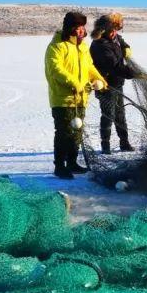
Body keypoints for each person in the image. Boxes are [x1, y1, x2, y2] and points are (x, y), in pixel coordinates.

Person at [44, 11, 107, 179]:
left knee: (76, 133)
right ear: (70, 28)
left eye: (83, 27)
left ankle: (72, 162)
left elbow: (89, 66)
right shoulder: (57, 46)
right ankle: (59, 166)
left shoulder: (82, 46)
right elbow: (55, 70)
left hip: (81, 98)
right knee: (63, 132)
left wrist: (99, 79)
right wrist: (75, 83)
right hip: (63, 99)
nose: (81, 30)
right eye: (78, 27)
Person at [89, 13, 136, 154]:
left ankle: (124, 142)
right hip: (105, 85)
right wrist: (132, 73)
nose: (114, 33)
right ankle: (105, 145)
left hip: (118, 83)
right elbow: (114, 66)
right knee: (108, 114)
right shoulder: (99, 45)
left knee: (120, 114)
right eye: (111, 31)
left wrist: (126, 47)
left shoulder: (114, 37)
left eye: (115, 30)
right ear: (103, 31)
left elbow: (121, 42)